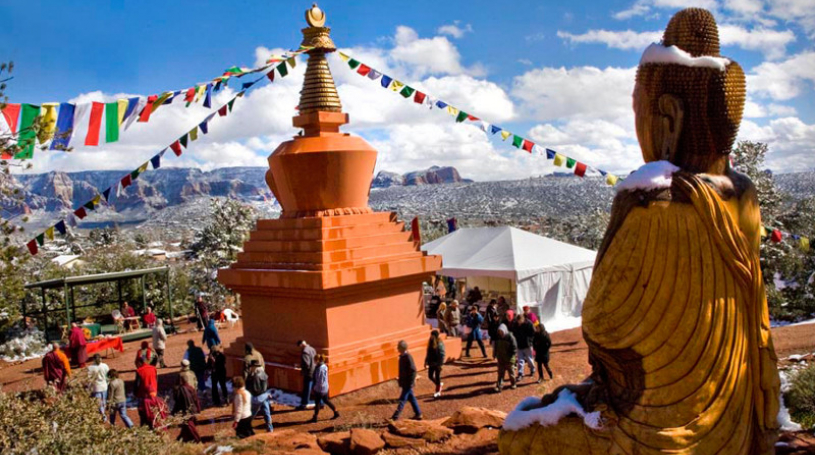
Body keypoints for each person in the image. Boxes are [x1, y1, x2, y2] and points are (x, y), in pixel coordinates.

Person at [391, 340, 421, 421]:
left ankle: (395, 416)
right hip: (406, 382)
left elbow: (413, 370)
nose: (397, 349)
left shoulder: (407, 357)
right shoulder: (403, 356)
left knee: (402, 399)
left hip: (407, 383)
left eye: (398, 347)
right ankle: (418, 413)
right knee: (411, 398)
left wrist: (411, 382)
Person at [172, 374, 202, 442]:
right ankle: (179, 439)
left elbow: (178, 402)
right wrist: (198, 408)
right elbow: (196, 399)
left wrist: (174, 411)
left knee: (189, 425)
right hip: (192, 409)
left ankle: (197, 440)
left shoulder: (181, 390)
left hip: (187, 410)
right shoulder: (191, 388)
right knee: (186, 425)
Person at [246, 359, 273, 432]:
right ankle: (270, 429)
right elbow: (267, 386)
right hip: (264, 396)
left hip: (257, 397)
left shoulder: (254, 376)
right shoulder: (264, 374)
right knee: (267, 413)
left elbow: (255, 389)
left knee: (252, 413)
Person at [310, 354, 339, 422]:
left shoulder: (319, 369)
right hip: (325, 388)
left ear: (317, 360)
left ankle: (315, 417)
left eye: (315, 360)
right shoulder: (324, 366)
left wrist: (314, 388)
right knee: (326, 401)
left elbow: (319, 380)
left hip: (319, 389)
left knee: (317, 403)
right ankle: (336, 412)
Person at [134, 357, 159, 427]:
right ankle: (153, 424)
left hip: (143, 394)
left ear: (139, 363)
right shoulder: (153, 368)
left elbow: (137, 384)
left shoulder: (139, 371)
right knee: (153, 410)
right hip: (153, 392)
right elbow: (156, 380)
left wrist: (135, 393)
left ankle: (144, 426)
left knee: (143, 411)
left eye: (136, 364)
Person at [511, 314, 536, 380]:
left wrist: (530, 341)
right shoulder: (515, 324)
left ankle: (532, 369)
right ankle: (520, 373)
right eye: (518, 321)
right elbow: (513, 333)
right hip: (519, 345)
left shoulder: (529, 324)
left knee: (529, 359)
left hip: (527, 345)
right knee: (520, 360)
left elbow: (533, 334)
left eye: (520, 321)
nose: (519, 323)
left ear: (523, 319)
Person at [494, 324, 517, 393]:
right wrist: (495, 354)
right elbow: (496, 347)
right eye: (499, 331)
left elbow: (514, 347)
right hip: (501, 358)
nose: (500, 332)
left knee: (511, 373)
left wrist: (511, 355)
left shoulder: (510, 337)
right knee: (500, 373)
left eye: (501, 331)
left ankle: (513, 384)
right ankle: (499, 386)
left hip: (509, 359)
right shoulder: (498, 337)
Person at [86, 354, 109, 419]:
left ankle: (103, 416)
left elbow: (89, 379)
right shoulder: (105, 366)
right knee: (103, 401)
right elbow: (107, 376)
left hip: (96, 387)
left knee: (99, 403)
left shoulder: (90, 368)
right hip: (104, 386)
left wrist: (88, 388)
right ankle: (103, 415)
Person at [424, 330, 446, 398]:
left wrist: (440, 364)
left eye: (432, 335)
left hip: (437, 363)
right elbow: (428, 352)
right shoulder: (430, 343)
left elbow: (442, 354)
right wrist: (425, 361)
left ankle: (438, 391)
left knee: (437, 376)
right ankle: (438, 384)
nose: (431, 336)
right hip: (431, 363)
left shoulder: (439, 343)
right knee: (430, 376)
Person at [296, 340, 316, 410]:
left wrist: (301, 367)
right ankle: (321, 402)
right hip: (314, 371)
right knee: (315, 388)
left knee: (307, 389)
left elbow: (306, 364)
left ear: (301, 345)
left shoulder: (305, 352)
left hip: (308, 373)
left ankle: (304, 403)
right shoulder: (312, 349)